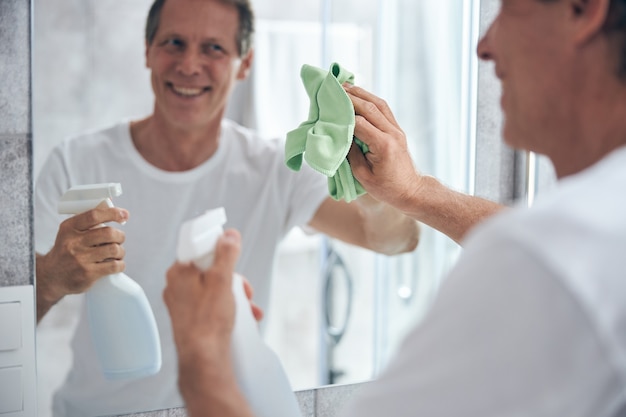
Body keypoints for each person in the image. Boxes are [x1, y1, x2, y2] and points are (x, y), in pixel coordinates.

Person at [164, 0, 626, 415]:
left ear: (583, 10)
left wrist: (204, 357)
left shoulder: (546, 257)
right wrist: (414, 191)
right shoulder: (590, 233)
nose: (484, 45)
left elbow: (406, 240)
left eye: (508, 8)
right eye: (174, 43)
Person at [33, 0, 434, 415]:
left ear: (245, 64)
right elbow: (10, 319)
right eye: (174, 42)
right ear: (148, 50)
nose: (190, 65)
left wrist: (368, 182)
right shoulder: (75, 162)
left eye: (213, 48)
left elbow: (395, 239)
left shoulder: (274, 169)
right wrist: (49, 279)